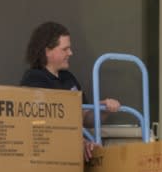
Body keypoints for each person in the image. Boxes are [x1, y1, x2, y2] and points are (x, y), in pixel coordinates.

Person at [19, 21, 120, 159]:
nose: (70, 53)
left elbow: (84, 117)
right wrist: (79, 142)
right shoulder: (33, 80)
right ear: (47, 51)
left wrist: (102, 108)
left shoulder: (68, 77)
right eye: (65, 49)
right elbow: (44, 125)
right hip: (48, 157)